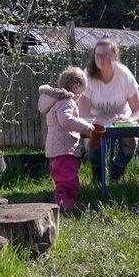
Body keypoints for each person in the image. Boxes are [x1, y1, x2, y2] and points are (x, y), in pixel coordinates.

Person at [79, 38, 139, 183]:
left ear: (115, 57)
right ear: (94, 57)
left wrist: (128, 120)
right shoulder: (87, 76)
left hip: (123, 118)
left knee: (131, 139)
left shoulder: (125, 76)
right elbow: (83, 114)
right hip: (96, 118)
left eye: (107, 55)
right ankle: (98, 174)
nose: (102, 59)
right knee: (92, 138)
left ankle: (116, 172)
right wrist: (106, 122)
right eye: (98, 55)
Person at [38, 67, 94, 210]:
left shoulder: (56, 100)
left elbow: (68, 119)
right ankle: (64, 203)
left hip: (56, 147)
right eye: (81, 92)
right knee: (67, 178)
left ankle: (64, 200)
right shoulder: (67, 101)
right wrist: (88, 128)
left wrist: (85, 122)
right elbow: (66, 120)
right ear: (75, 87)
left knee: (61, 177)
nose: (81, 96)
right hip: (64, 148)